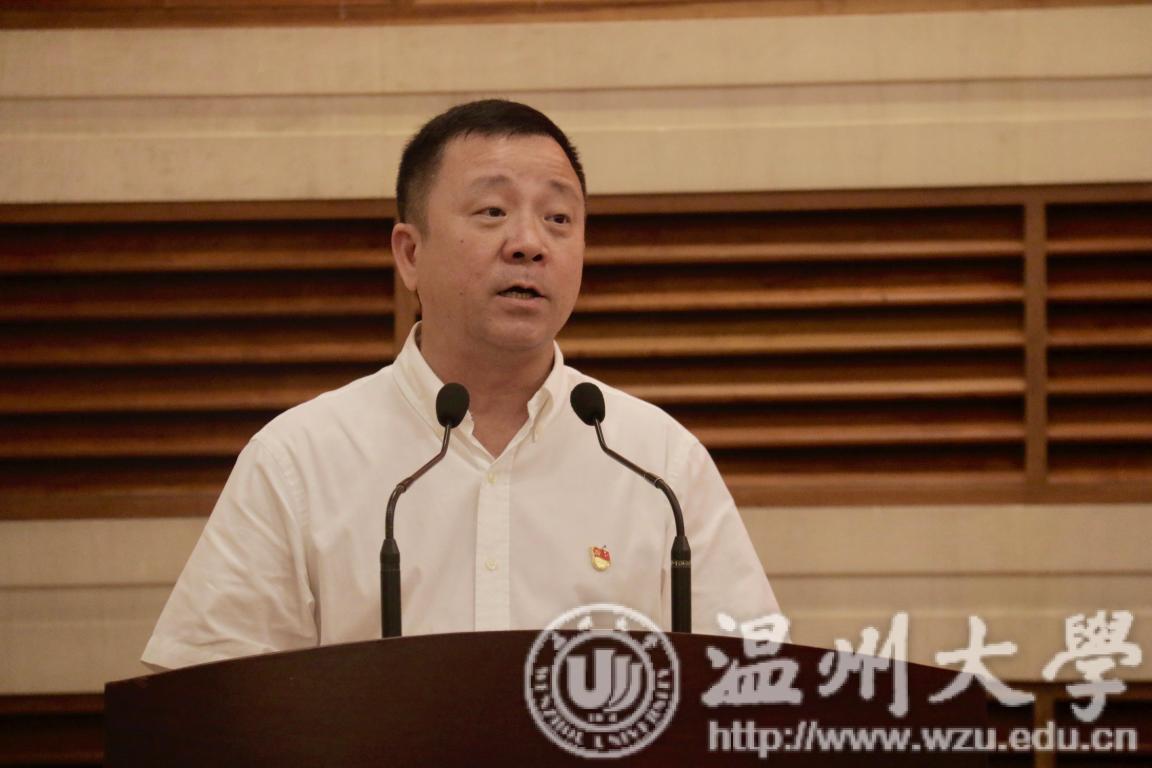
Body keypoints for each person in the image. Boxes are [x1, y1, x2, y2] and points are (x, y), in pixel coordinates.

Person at [142, 99, 778, 670]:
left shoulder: (658, 462)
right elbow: (207, 706)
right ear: (410, 253)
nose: (529, 244)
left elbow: (754, 686)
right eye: (492, 211)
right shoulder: (299, 460)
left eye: (558, 218)